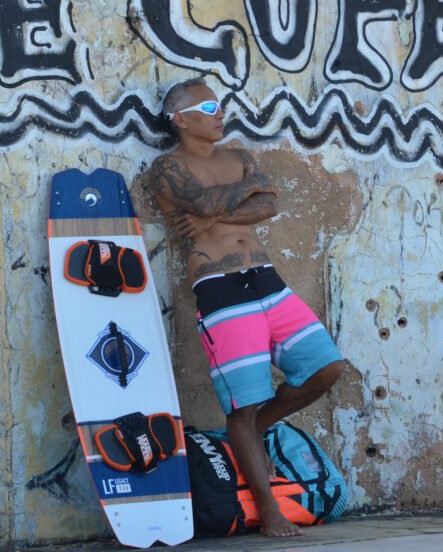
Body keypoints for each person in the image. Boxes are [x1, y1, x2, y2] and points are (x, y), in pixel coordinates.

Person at [146, 78, 345, 538]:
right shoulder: (166, 168)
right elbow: (197, 203)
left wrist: (220, 208)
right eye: (210, 106)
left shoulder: (238, 158)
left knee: (327, 368)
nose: (221, 114)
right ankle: (269, 509)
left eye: (221, 106)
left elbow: (268, 205)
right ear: (180, 118)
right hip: (221, 289)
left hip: (268, 281)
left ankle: (264, 424)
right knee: (242, 408)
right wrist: (244, 190)